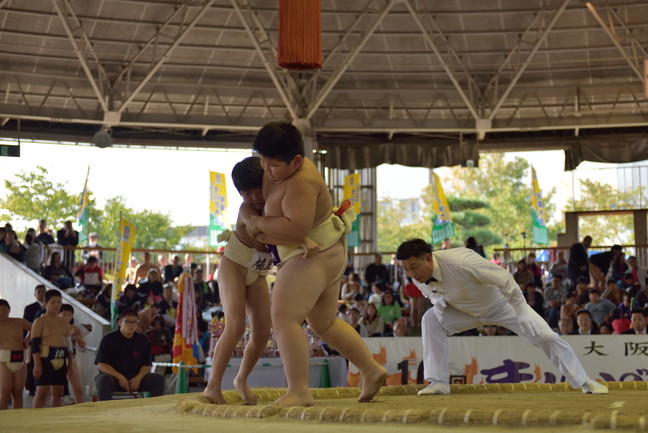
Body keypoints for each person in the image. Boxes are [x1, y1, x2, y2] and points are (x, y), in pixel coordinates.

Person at [246, 121, 387, 406]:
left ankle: (299, 390)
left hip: (312, 255)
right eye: (262, 162)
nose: (266, 170)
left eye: (273, 165)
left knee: (284, 317)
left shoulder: (302, 182)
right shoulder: (277, 171)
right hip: (323, 254)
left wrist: (259, 223)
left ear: (296, 161)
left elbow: (296, 229)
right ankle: (371, 370)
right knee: (324, 323)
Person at [395, 238, 607, 396]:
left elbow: (504, 277)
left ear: (428, 258)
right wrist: (443, 309)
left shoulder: (461, 262)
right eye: (406, 270)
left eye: (414, 267)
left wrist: (522, 311)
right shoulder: (418, 278)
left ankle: (584, 382)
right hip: (464, 312)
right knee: (430, 319)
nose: (411, 273)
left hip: (502, 305)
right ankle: (438, 382)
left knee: (546, 336)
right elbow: (436, 297)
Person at [94, 309, 164, 401]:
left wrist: (138, 378)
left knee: (158, 379)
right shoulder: (108, 339)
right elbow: (101, 364)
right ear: (120, 322)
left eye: (135, 322)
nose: (131, 325)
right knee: (103, 380)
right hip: (113, 377)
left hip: (134, 378)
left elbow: (147, 364)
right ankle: (105, 408)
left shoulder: (143, 340)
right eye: (127, 322)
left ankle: (154, 407)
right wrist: (119, 377)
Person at [30, 289, 73, 408]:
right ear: (45, 304)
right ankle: (36, 417)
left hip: (61, 359)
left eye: (59, 302)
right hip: (44, 359)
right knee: (42, 392)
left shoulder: (64, 322)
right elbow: (34, 345)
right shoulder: (39, 321)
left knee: (58, 392)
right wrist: (37, 364)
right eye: (53, 302)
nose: (57, 305)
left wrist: (70, 364)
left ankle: (54, 417)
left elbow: (69, 345)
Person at [0, 299, 32, 410]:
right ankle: (3, 417)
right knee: (5, 390)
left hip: (20, 359)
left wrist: (27, 340)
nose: (1, 312)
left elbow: (34, 328)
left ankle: (18, 417)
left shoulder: (19, 322)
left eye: (4, 310)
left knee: (18, 391)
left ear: (9, 310)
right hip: (3, 361)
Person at [59, 304, 88, 403]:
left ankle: (81, 408)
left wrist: (77, 337)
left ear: (72, 316)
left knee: (78, 389)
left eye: (69, 315)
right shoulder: (54, 327)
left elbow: (83, 345)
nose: (67, 317)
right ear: (58, 314)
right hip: (57, 357)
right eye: (64, 314)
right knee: (56, 391)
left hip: (71, 359)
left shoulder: (74, 328)